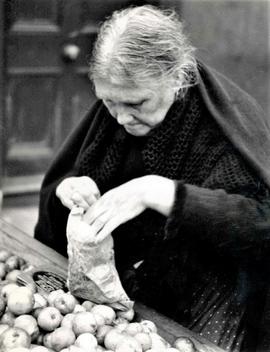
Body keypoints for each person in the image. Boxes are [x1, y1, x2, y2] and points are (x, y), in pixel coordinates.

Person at [34, 5, 270, 351]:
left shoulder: (222, 126)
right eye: (108, 102)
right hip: (112, 302)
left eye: (137, 103)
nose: (120, 118)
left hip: (204, 300)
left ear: (176, 78)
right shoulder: (115, 109)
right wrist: (68, 190)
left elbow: (261, 223)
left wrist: (165, 194)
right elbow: (63, 185)